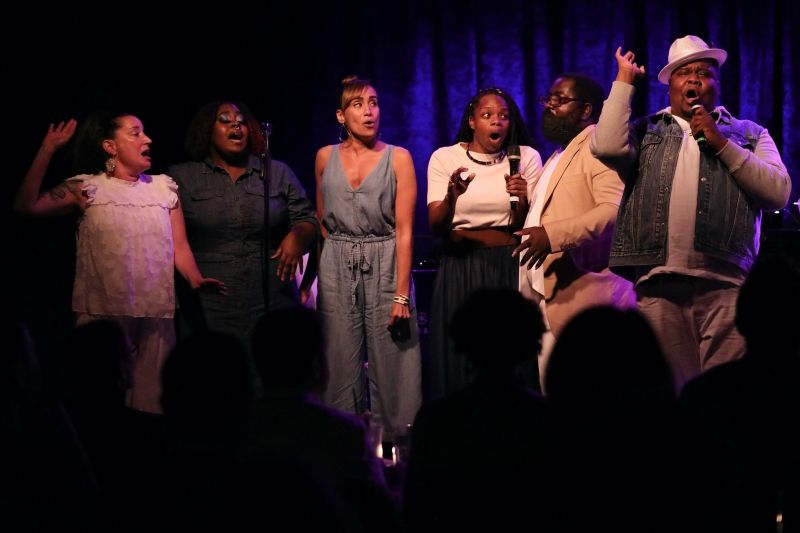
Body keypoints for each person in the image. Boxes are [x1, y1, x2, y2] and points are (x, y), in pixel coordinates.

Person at [590, 35, 792, 389]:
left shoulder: (749, 134)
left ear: (717, 84)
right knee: (671, 393)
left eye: (705, 72)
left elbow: (778, 193)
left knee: (727, 394)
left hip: (726, 285)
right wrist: (623, 81)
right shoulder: (645, 130)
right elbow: (605, 146)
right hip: (660, 283)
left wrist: (722, 143)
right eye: (685, 73)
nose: (696, 79)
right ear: (671, 86)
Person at [13, 113, 225, 414]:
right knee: (96, 399)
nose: (147, 139)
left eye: (145, 132)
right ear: (110, 146)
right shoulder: (86, 188)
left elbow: (179, 246)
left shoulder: (164, 189)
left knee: (151, 401)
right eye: (136, 133)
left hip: (154, 311)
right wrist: (48, 149)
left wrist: (194, 278)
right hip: (102, 312)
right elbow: (25, 205)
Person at [315, 76, 422, 441]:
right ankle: (342, 444)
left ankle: (399, 447)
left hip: (387, 260)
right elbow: (322, 223)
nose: (369, 111)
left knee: (395, 358)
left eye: (374, 102)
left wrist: (401, 293)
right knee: (338, 358)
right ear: (341, 115)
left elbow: (406, 230)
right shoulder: (325, 157)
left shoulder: (398, 158)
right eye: (358, 104)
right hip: (337, 263)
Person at [513, 73, 635, 387]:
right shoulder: (558, 154)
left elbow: (613, 211)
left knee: (585, 404)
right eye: (548, 99)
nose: (550, 105)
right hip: (551, 299)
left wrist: (552, 235)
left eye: (560, 99)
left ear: (586, 110)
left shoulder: (596, 147)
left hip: (586, 301)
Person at [167, 100, 319, 347]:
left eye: (241, 121)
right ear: (207, 129)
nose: (236, 125)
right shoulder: (182, 177)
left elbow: (308, 218)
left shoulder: (276, 172)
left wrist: (298, 237)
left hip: (271, 298)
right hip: (210, 302)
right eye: (224, 120)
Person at [403, 288, 551, 531]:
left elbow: (416, 512)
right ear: (529, 342)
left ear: (463, 342)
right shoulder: (548, 421)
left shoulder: (435, 421)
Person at [427, 87, 542, 397]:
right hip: (461, 267)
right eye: (487, 115)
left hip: (509, 264)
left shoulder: (526, 157)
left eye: (503, 116)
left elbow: (523, 226)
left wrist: (521, 198)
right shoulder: (445, 157)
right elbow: (436, 225)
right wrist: (452, 196)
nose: (497, 122)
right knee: (462, 351)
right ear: (472, 121)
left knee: (509, 349)